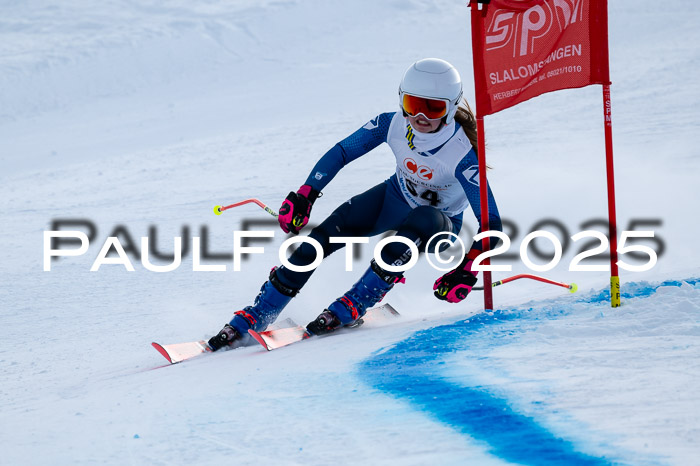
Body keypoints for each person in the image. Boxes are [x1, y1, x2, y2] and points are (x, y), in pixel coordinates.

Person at [207, 57, 502, 350]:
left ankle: (356, 302)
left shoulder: (462, 155)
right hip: (394, 199)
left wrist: (467, 267)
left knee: (422, 219)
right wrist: (305, 194)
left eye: (433, 108)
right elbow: (342, 152)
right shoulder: (392, 123)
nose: (420, 117)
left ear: (450, 108)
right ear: (402, 99)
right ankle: (259, 314)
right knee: (317, 242)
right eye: (413, 105)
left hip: (438, 225)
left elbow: (493, 225)